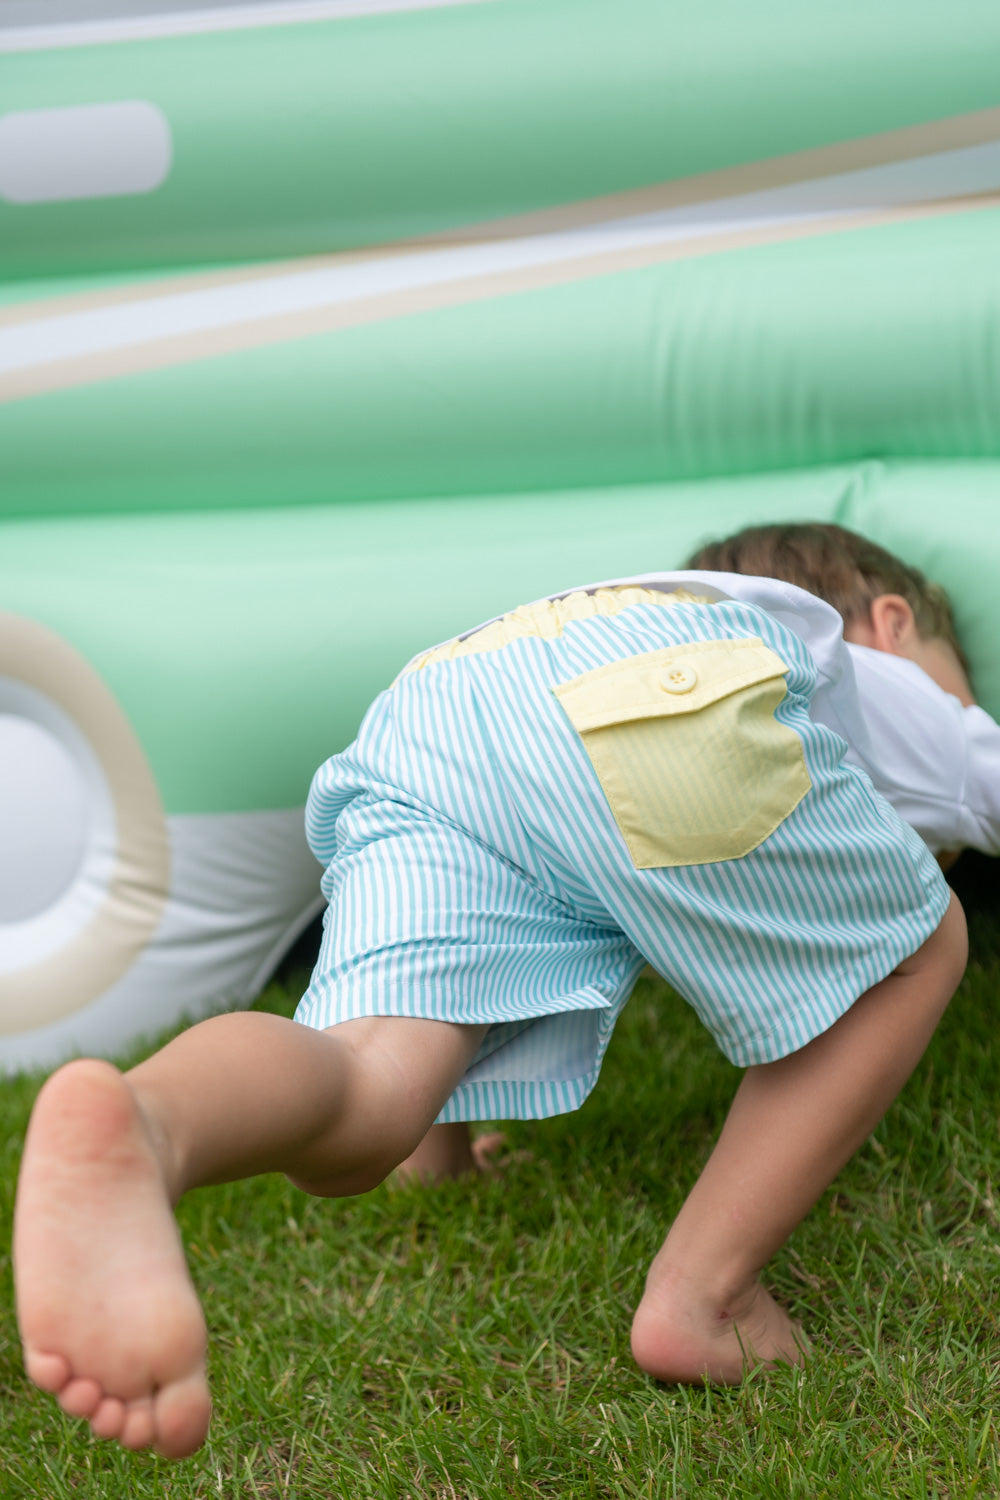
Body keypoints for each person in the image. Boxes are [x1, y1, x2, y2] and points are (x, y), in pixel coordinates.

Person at [14, 523, 986, 1461]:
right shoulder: (861, 665)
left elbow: (545, 761)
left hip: (432, 715)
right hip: (660, 692)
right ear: (894, 621)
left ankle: (151, 1124)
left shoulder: (597, 610)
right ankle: (705, 1297)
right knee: (920, 943)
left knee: (368, 1076)